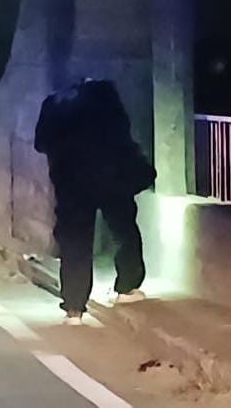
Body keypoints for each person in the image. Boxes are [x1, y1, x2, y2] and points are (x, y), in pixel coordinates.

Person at [34, 78, 154, 325]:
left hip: (70, 181)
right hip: (112, 176)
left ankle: (74, 308)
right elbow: (122, 130)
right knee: (123, 229)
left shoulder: (54, 103)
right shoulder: (105, 94)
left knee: (74, 240)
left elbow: (41, 143)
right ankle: (127, 287)